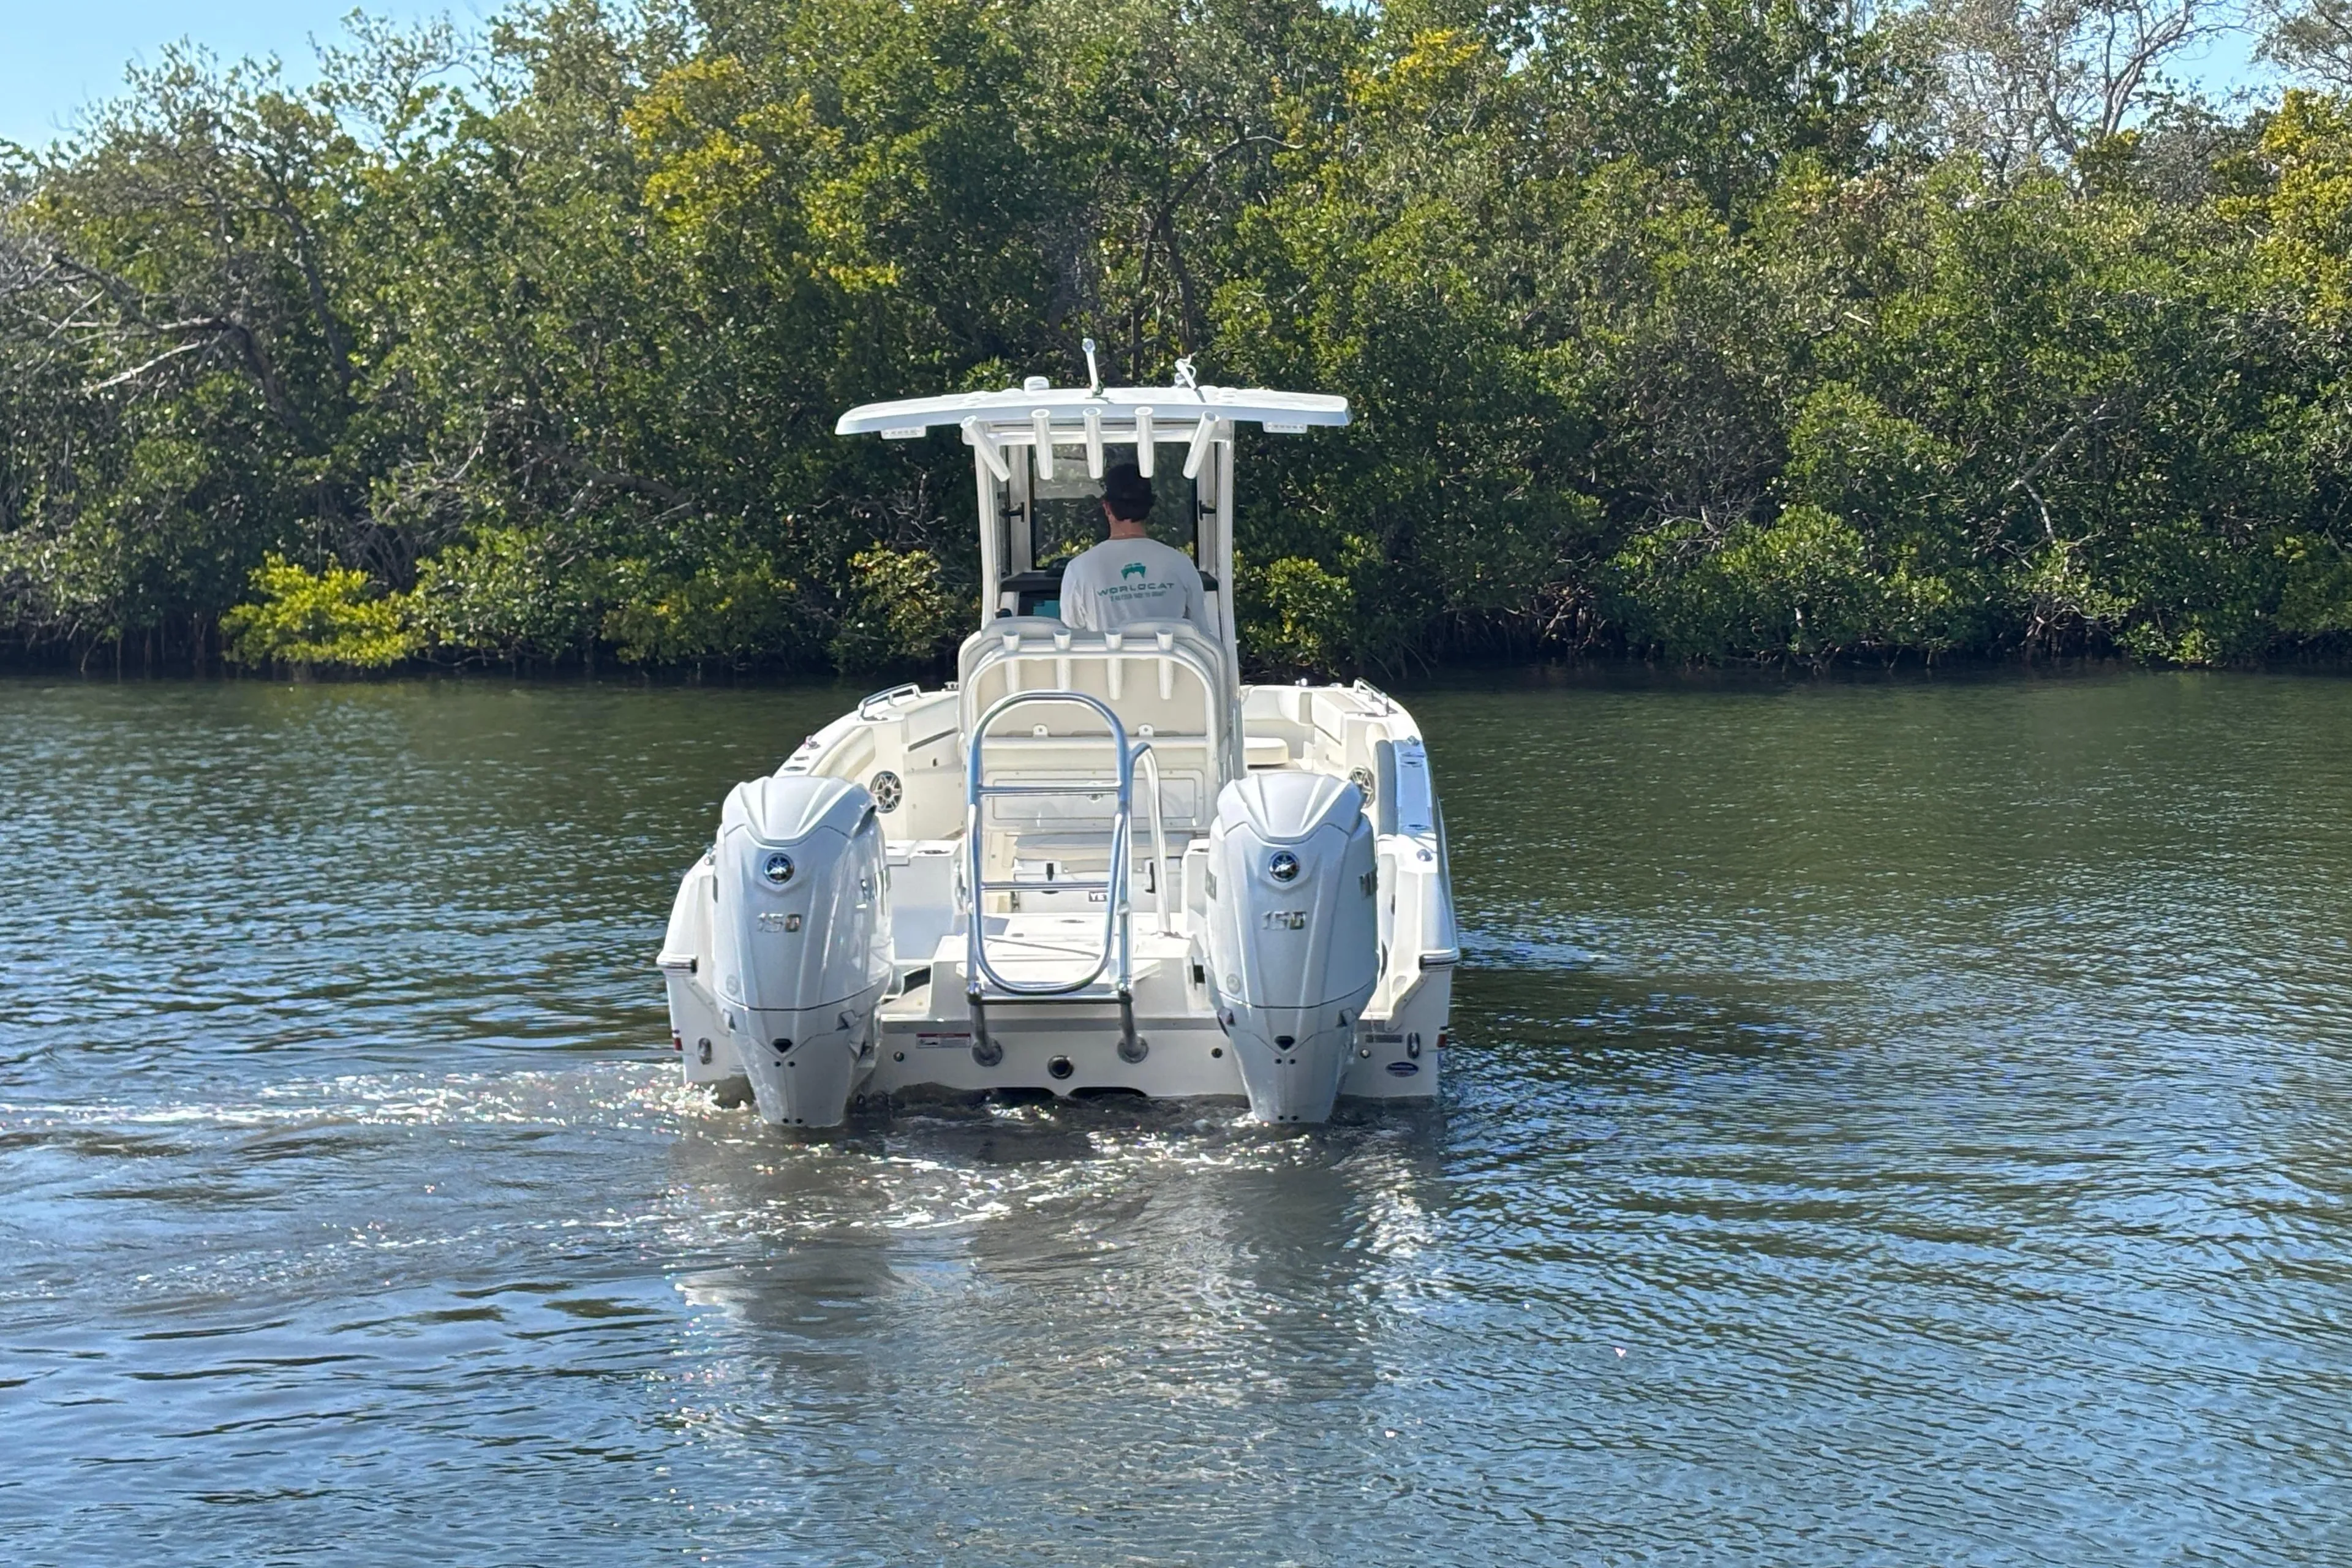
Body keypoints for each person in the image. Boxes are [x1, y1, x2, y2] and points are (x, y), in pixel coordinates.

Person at [1057, 461, 1206, 630]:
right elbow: (1200, 632)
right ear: (1149, 506)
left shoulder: (1079, 569)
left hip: (1109, 657)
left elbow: (1072, 636)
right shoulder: (1180, 563)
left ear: (1107, 507)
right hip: (1171, 657)